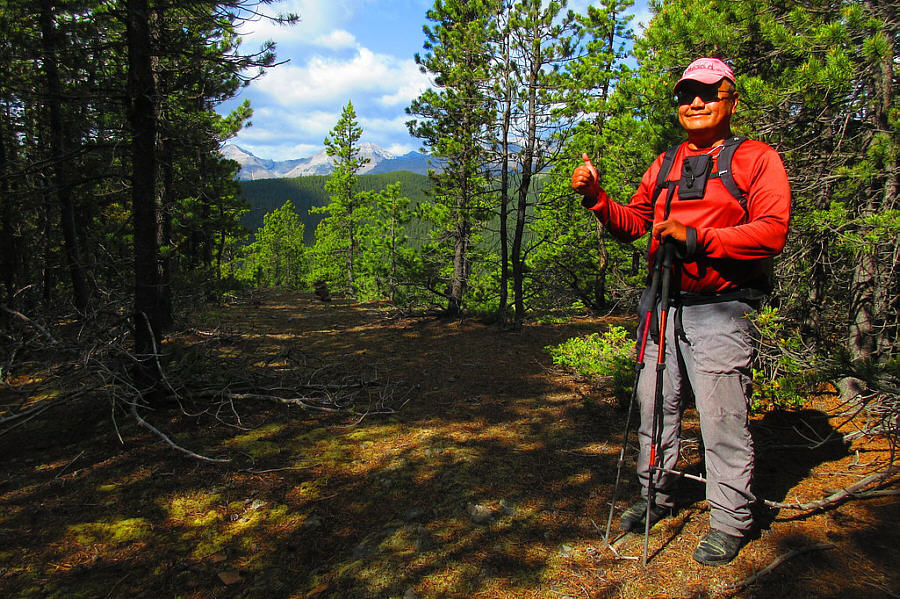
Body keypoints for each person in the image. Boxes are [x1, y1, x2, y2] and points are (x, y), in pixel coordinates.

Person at [571, 57, 791, 565]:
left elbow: (772, 231)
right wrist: (597, 198)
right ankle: (656, 498)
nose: (695, 102)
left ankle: (731, 519)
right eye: (687, 93)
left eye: (709, 92)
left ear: (731, 99)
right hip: (661, 304)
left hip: (722, 308)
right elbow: (635, 223)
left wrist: (699, 239)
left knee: (722, 419)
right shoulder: (666, 163)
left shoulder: (756, 159)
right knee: (655, 408)